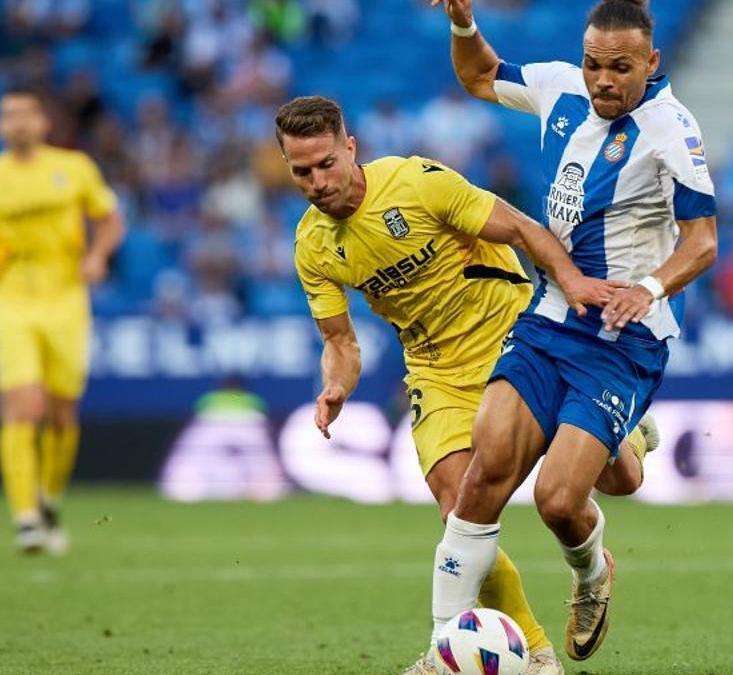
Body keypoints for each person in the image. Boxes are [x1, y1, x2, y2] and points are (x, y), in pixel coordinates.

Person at [277, 96, 658, 675]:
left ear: (350, 147)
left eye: (326, 163)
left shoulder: (417, 184)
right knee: (460, 506)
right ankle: (533, 654)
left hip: (516, 342)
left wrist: (572, 283)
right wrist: (336, 387)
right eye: (301, 171)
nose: (316, 182)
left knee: (618, 480)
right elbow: (341, 343)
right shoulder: (313, 245)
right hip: (435, 371)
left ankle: (614, 471)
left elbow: (524, 229)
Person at [425, 0, 717, 666]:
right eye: (593, 64)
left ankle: (593, 573)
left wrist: (648, 288)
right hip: (550, 315)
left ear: (652, 63)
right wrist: (464, 24)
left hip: (624, 335)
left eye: (620, 67)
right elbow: (479, 75)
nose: (602, 80)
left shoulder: (672, 130)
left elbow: (702, 243)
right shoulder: (560, 88)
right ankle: (441, 647)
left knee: (559, 499)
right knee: (485, 468)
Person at [0, 85, 125, 554]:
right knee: (22, 405)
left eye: (25, 114)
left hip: (65, 301)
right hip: (10, 303)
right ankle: (26, 518)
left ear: (42, 123)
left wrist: (97, 256)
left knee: (60, 413)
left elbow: (110, 219)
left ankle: (49, 497)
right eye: (8, 115)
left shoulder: (73, 169)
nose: (17, 122)